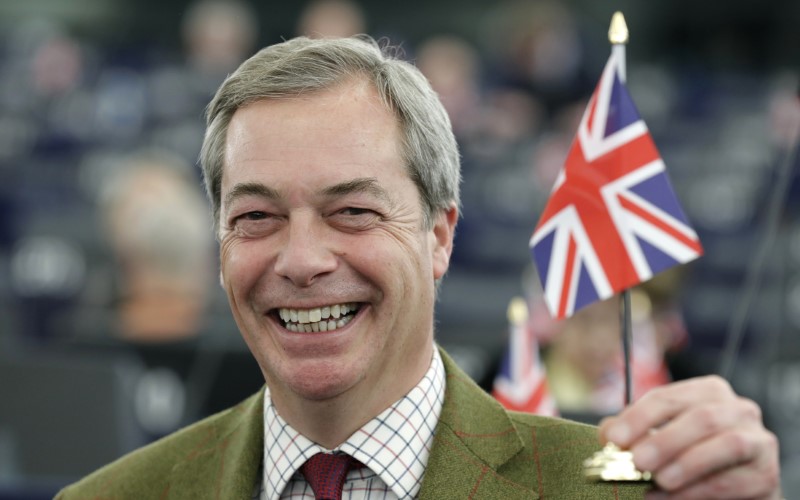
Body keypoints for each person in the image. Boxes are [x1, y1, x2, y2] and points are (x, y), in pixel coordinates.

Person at [57, 36, 781, 499]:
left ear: (440, 237)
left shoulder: (620, 492)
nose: (302, 260)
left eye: (353, 212)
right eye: (256, 218)